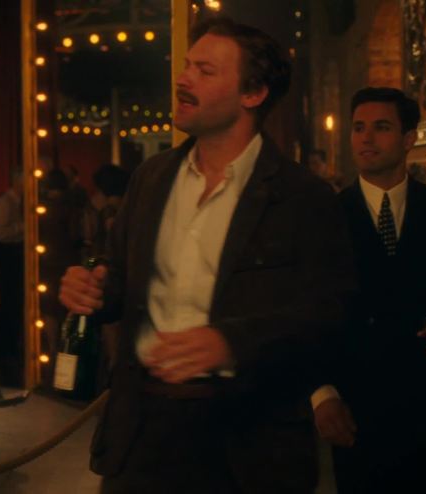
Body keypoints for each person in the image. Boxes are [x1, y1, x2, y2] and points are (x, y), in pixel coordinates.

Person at [60, 17, 356, 493]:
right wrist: (91, 288)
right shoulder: (151, 178)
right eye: (186, 66)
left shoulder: (303, 196)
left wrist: (231, 342)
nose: (183, 79)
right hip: (141, 434)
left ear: (253, 94)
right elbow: (117, 277)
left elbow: (329, 315)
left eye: (205, 70)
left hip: (248, 444)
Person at [311, 87, 426, 493]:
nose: (366, 138)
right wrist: (321, 394)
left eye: (381, 127)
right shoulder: (326, 217)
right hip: (358, 410)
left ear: (409, 139)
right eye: (359, 128)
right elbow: (309, 315)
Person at [0, 167, 25, 386]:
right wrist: (25, 228)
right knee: (9, 306)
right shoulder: (5, 203)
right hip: (8, 264)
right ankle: (4, 351)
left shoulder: (17, 203)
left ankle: (9, 350)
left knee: (13, 305)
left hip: (14, 263)